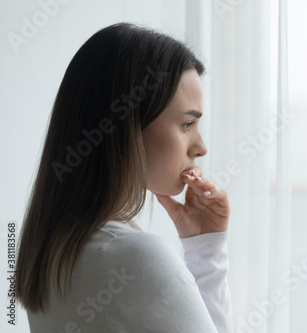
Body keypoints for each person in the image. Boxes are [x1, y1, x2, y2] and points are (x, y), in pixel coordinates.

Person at [14, 22, 234, 332]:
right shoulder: (132, 257)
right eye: (187, 124)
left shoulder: (54, 247)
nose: (201, 147)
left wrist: (204, 244)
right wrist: (208, 255)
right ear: (127, 126)